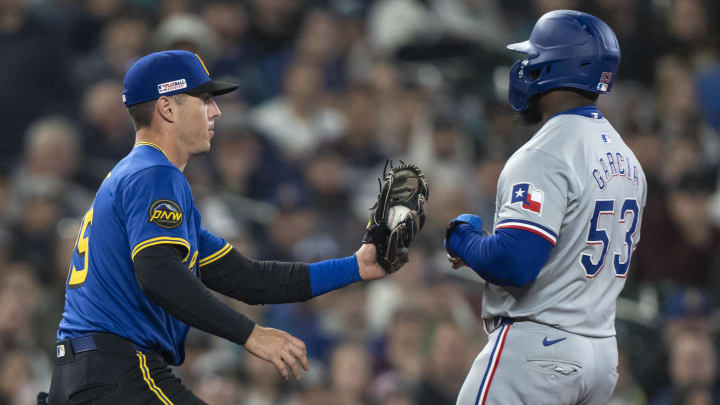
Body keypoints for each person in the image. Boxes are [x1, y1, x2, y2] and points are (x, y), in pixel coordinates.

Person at [43, 50, 407, 404]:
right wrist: (251, 335)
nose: (216, 110)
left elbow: (246, 278)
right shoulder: (154, 173)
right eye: (203, 99)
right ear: (167, 107)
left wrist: (355, 267)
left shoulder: (135, 175)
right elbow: (158, 274)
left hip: (87, 372)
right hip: (119, 372)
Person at [444, 11, 647, 404]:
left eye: (532, 59)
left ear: (551, 68)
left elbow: (513, 263)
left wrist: (462, 238)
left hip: (538, 351)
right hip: (601, 354)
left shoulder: (545, 153)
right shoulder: (628, 160)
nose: (525, 68)